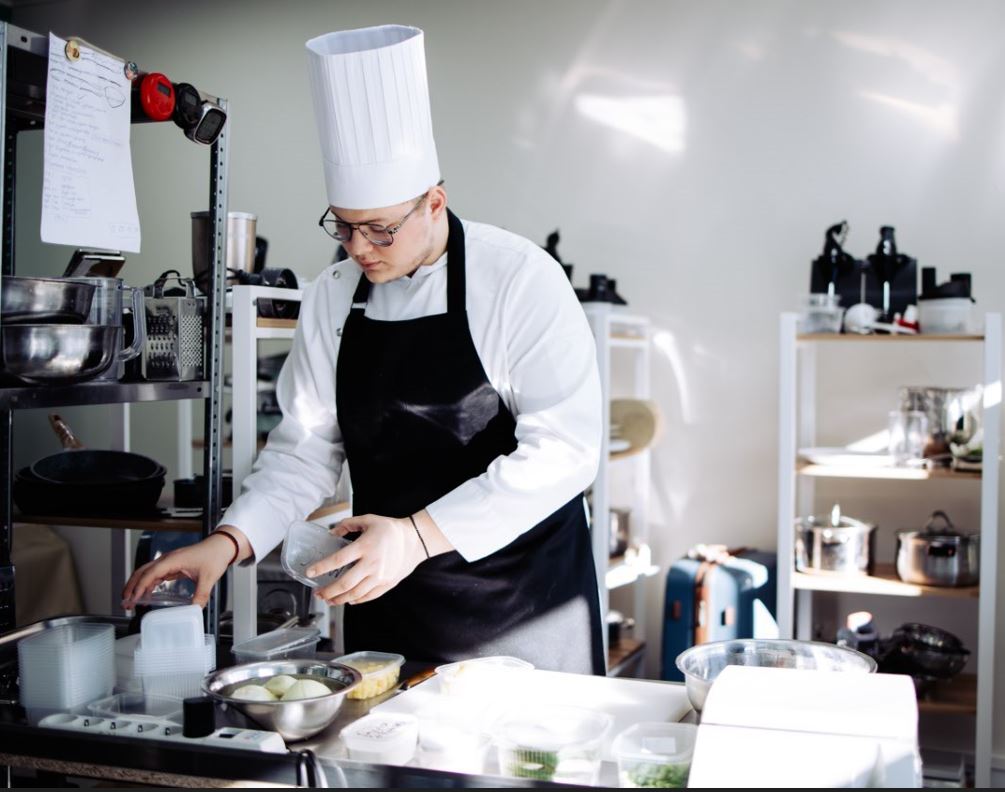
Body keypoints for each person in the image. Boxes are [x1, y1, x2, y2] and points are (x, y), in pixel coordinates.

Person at [123, 24, 604, 674]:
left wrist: (415, 537)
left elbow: (565, 451)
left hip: (525, 607)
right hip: (390, 603)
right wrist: (229, 542)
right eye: (343, 227)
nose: (357, 249)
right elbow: (303, 451)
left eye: (379, 229)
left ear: (434, 203)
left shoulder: (519, 279)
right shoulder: (333, 295)